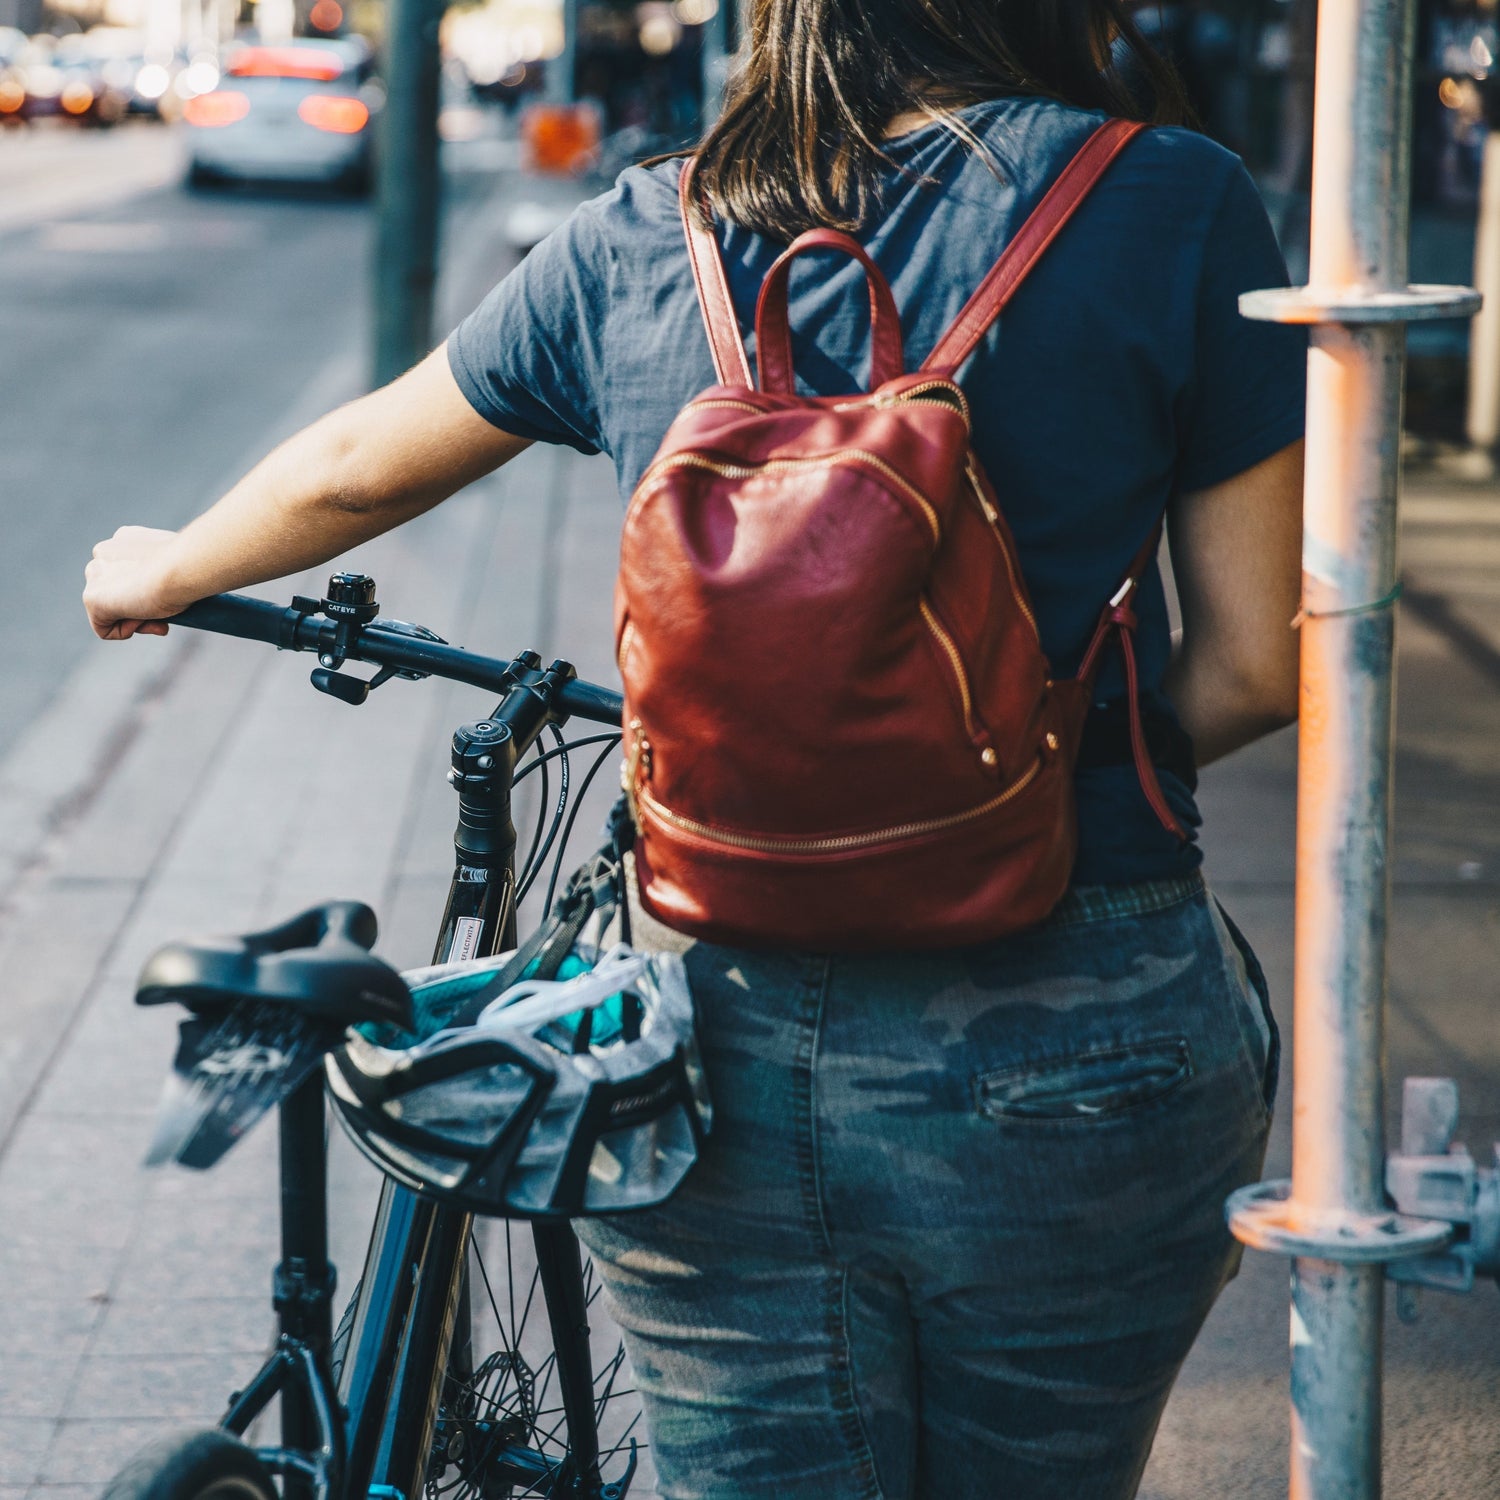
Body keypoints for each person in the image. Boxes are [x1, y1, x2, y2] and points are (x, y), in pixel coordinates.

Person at [83, 0, 1306, 1490]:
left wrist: (167, 567)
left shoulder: (645, 233)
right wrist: (997, 780)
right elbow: (1254, 660)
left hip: (699, 1036)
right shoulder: (1174, 199)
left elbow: (350, 471)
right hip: (1075, 1028)